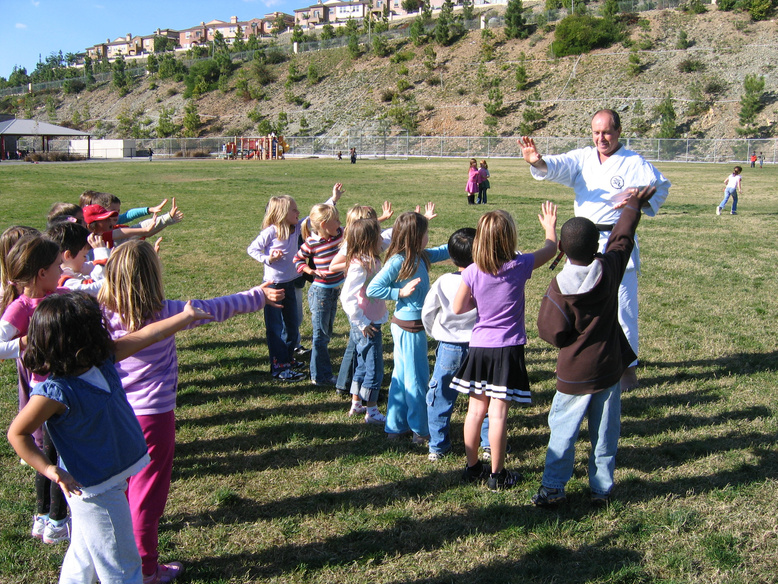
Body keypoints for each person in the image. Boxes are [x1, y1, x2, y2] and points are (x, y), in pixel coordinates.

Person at [98, 240, 284, 584]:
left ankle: (113, 563)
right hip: (153, 418)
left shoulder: (99, 317)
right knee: (147, 496)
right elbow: (218, 306)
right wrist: (259, 295)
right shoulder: (169, 311)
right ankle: (146, 570)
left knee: (119, 494)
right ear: (153, 280)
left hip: (114, 415)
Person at [7, 291, 213, 584]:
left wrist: (186, 317)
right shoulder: (55, 392)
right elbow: (17, 433)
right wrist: (51, 470)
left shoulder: (101, 361)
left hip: (105, 482)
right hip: (95, 490)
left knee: (85, 554)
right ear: (77, 339)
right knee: (121, 566)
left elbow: (149, 335)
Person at [519, 109, 670, 390]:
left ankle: (627, 371)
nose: (601, 138)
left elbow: (660, 187)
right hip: (582, 241)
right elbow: (559, 165)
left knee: (623, 308)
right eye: (596, 132)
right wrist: (538, 161)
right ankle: (578, 359)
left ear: (619, 131)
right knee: (576, 304)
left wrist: (636, 200)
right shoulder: (584, 158)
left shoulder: (634, 163)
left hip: (616, 239)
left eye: (607, 132)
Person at [532, 187, 656, 508]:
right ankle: (601, 489)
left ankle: (553, 487)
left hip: (574, 374)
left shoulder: (559, 287)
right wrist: (632, 206)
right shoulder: (610, 270)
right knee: (605, 433)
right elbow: (622, 240)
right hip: (608, 370)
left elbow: (552, 332)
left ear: (561, 247)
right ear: (596, 245)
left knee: (563, 432)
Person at [452, 204, 558, 490]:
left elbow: (458, 306)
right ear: (509, 238)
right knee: (498, 414)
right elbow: (551, 249)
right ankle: (497, 476)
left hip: (479, 348)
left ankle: (472, 467)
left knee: (475, 411)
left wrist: (479, 300)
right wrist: (550, 226)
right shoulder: (519, 264)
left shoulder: (472, 271)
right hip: (507, 349)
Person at [0, 234, 71, 544]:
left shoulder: (55, 295)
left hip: (57, 388)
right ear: (42, 273)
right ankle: (56, 520)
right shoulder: (22, 307)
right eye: (58, 265)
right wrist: (28, 342)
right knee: (56, 457)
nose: (62, 268)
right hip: (49, 392)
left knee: (48, 454)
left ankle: (44, 516)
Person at [366, 211, 450, 443]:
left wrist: (468, 241)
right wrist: (399, 292)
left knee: (402, 376)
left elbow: (445, 251)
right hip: (409, 328)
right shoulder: (398, 261)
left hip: (411, 326)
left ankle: (395, 427)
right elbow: (373, 289)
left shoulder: (420, 256)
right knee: (416, 378)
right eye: (426, 233)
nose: (428, 237)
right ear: (415, 236)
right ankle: (420, 430)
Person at [247, 185, 341, 380]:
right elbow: (252, 249)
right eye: (294, 210)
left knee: (292, 326)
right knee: (275, 328)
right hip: (273, 286)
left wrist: (333, 199)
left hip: (291, 283)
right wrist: (269, 258)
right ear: (282, 213)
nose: (299, 212)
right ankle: (279, 367)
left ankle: (288, 359)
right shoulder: (270, 233)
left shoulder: (297, 227)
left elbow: (317, 217)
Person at [422, 228, 490, 462]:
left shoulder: (443, 282)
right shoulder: (487, 280)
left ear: (451, 257)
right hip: (481, 346)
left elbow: (428, 313)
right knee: (484, 395)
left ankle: (437, 447)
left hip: (450, 346)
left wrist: (436, 333)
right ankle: (489, 443)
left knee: (440, 395)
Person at [340, 218, 389, 424]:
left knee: (361, 363)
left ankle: (356, 403)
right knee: (374, 366)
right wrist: (361, 323)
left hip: (369, 320)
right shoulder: (360, 265)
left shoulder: (370, 259)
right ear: (369, 240)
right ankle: (372, 410)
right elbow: (347, 296)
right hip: (367, 324)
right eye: (378, 235)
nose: (382, 239)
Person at [293, 202, 345, 386]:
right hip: (321, 294)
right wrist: (310, 271)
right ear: (323, 225)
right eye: (336, 220)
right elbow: (297, 259)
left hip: (333, 291)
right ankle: (320, 376)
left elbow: (358, 230)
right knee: (320, 337)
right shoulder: (312, 243)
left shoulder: (339, 234)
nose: (340, 223)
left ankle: (320, 373)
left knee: (326, 334)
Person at [46, 221, 109, 294]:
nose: (86, 260)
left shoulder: (72, 268)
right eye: (84, 256)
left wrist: (113, 259)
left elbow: (90, 265)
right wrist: (102, 254)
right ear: (68, 255)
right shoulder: (63, 281)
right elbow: (97, 287)